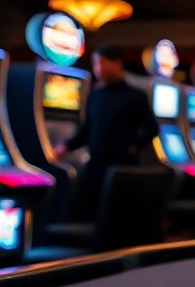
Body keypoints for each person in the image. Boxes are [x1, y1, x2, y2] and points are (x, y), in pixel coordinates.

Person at [54, 45, 158, 220]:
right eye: (95, 64)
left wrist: (135, 147)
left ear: (117, 63)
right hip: (95, 166)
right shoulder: (95, 95)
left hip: (123, 166)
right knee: (85, 213)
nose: (98, 69)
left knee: (119, 216)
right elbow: (87, 131)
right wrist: (65, 146)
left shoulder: (135, 96)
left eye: (102, 63)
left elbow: (152, 128)